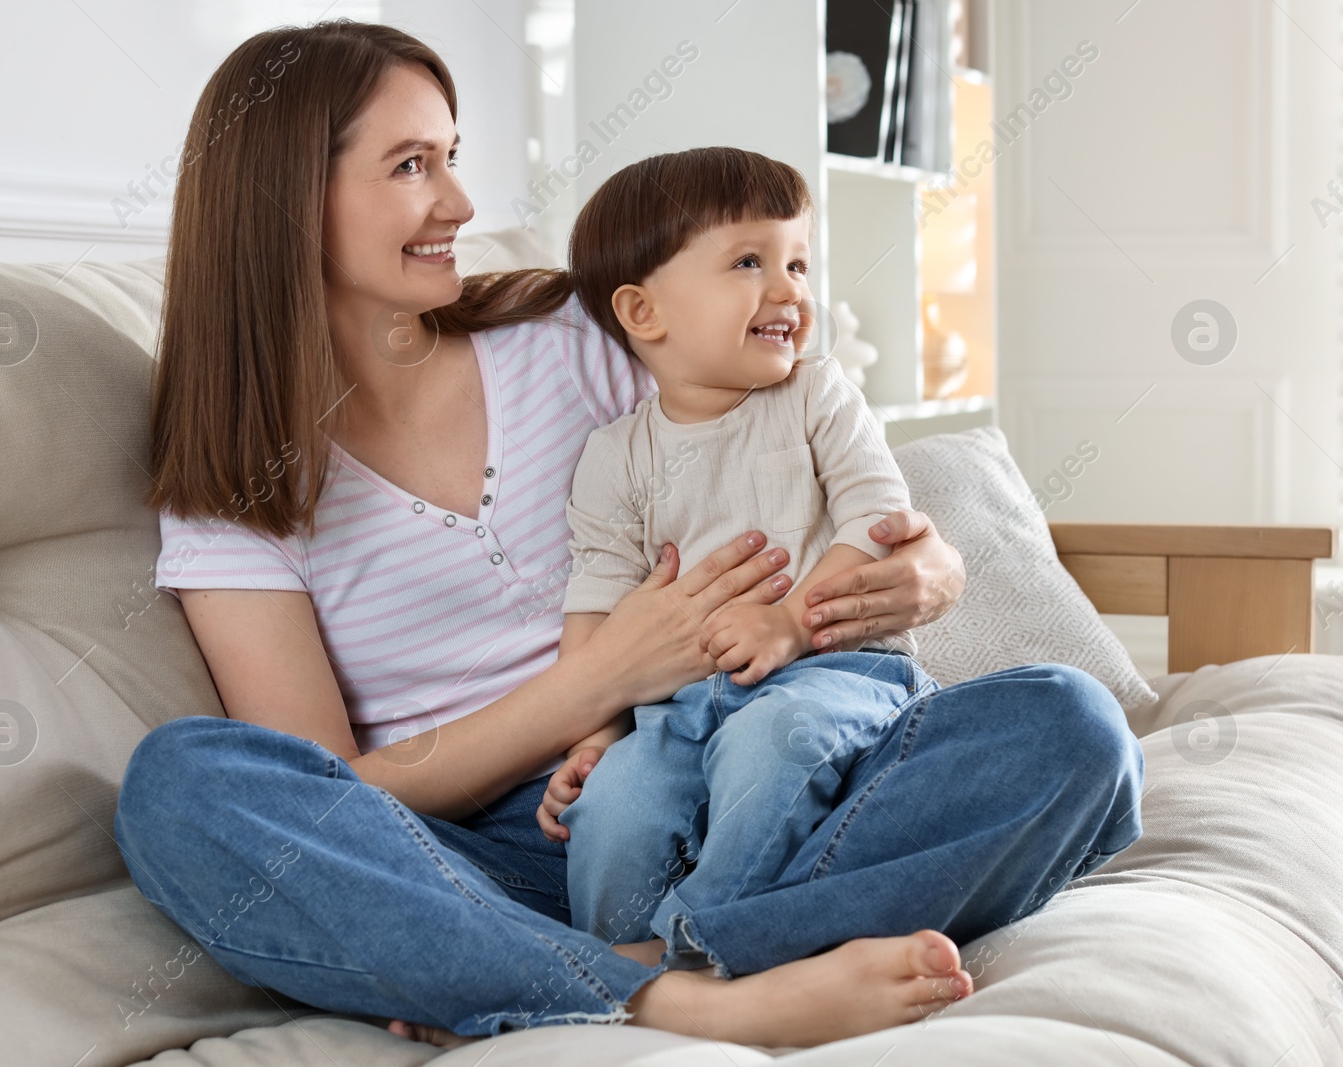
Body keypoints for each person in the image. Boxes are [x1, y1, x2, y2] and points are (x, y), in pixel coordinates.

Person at [112, 18, 1145, 1051]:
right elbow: (329, 789)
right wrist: (590, 686)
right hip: (485, 858)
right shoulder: (229, 486)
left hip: (745, 766)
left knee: (1069, 727)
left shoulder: (572, 339)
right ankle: (706, 992)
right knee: (182, 786)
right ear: (290, 197)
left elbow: (821, 465)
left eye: (452, 157)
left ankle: (596, 966)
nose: (460, 204)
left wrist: (930, 564)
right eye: (412, 165)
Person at [541, 146, 938, 963]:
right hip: (676, 708)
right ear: (644, 313)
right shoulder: (616, 456)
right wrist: (588, 740)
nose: (792, 288)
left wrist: (790, 623)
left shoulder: (818, 394)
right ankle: (608, 967)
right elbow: (597, 610)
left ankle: (694, 952)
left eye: (798, 261)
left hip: (834, 674)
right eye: (751, 261)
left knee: (772, 744)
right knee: (616, 807)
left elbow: (880, 516)